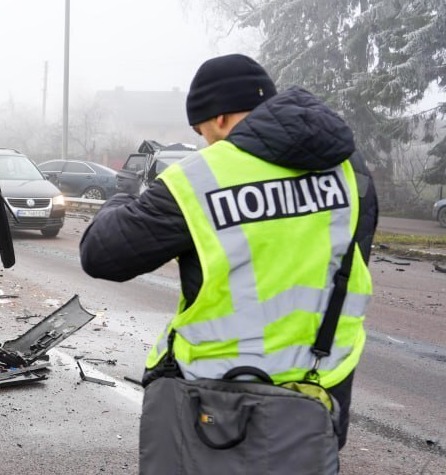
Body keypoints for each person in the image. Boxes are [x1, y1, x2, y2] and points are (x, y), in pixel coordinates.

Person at [79, 53, 375, 449]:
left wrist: (121, 195)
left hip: (222, 400)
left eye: (200, 129)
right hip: (322, 390)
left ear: (218, 118)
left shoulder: (203, 176)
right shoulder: (349, 168)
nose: (203, 140)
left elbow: (101, 254)